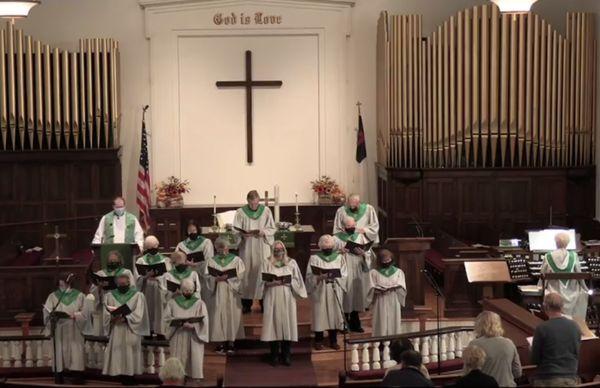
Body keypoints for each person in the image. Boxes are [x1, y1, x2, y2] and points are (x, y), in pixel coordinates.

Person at [257, 241, 307, 366]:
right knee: (273, 324)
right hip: (272, 295)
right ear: (272, 250)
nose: (279, 252)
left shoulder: (291, 262)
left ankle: (286, 354)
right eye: (276, 249)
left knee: (287, 323)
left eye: (281, 249)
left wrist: (290, 282)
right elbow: (260, 281)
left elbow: (298, 280)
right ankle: (274, 354)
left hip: (287, 296)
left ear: (285, 250)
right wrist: (270, 283)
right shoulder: (266, 262)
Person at [102, 273, 149, 385]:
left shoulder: (137, 296)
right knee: (119, 352)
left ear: (129, 283)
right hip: (117, 328)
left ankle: (130, 376)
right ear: (117, 284)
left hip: (130, 328)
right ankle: (122, 375)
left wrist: (126, 318)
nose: (122, 285)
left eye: (124, 283)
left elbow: (139, 313)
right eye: (120, 284)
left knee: (130, 352)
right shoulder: (110, 296)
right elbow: (106, 312)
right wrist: (112, 318)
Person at [43, 273, 91, 383]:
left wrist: (76, 315)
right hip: (59, 327)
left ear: (69, 281)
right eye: (60, 280)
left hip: (74, 327)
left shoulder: (79, 295)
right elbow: (47, 310)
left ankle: (77, 376)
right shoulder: (53, 296)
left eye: (63, 280)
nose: (61, 282)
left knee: (76, 351)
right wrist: (51, 315)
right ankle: (59, 375)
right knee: (59, 351)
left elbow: (85, 312)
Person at [233, 190, 276, 313]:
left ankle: (263, 303)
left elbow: (272, 228)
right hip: (247, 246)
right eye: (251, 204)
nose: (254, 206)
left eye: (256, 203)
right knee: (246, 273)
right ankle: (246, 304)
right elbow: (235, 230)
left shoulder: (266, 211)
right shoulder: (240, 212)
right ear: (247, 201)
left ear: (259, 200)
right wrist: (241, 235)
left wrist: (264, 232)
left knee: (262, 272)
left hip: (262, 245)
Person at [531, 292, 582, 387]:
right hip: (569, 378)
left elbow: (535, 359)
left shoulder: (542, 328)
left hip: (547, 378)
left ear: (546, 307)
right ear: (562, 307)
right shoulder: (575, 326)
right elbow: (577, 353)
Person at [306, 234, 347, 350]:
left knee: (334, 314)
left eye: (329, 244)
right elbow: (309, 275)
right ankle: (318, 340)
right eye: (325, 244)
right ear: (320, 246)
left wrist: (335, 277)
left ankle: (333, 340)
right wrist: (318, 278)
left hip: (334, 288)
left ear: (333, 245)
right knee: (320, 314)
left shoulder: (339, 258)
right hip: (320, 289)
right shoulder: (314, 258)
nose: (327, 246)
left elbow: (344, 274)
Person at [205, 237, 246, 354]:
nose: (222, 250)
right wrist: (215, 279)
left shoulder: (236, 260)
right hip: (217, 291)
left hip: (231, 291)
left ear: (228, 247)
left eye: (224, 248)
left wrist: (228, 278)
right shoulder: (211, 261)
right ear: (216, 248)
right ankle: (220, 342)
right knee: (218, 315)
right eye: (219, 248)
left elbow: (241, 276)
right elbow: (207, 277)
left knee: (231, 315)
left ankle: (231, 343)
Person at [163, 279, 209, 382]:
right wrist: (178, 323)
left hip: (193, 334)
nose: (188, 292)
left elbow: (204, 320)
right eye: (186, 290)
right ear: (181, 290)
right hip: (178, 333)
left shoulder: (200, 303)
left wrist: (194, 326)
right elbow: (166, 319)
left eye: (190, 290)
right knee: (178, 356)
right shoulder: (172, 302)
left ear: (193, 290)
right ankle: (177, 376)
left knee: (194, 355)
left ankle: (194, 375)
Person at [334, 217, 372, 332]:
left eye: (353, 226)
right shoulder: (336, 238)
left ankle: (355, 322)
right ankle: (344, 323)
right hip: (344, 270)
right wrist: (339, 252)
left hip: (357, 269)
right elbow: (330, 254)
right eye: (349, 227)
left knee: (356, 295)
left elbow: (368, 252)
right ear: (343, 226)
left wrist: (364, 253)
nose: (351, 228)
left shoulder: (360, 237)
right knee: (346, 295)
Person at [540, 232, 589, 320]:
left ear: (556, 242)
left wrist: (539, 288)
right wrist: (586, 289)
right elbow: (579, 275)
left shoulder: (548, 256)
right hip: (572, 293)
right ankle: (577, 323)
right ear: (568, 243)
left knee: (545, 292)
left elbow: (543, 275)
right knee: (582, 293)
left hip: (554, 292)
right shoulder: (574, 255)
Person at [89, 250, 136, 335]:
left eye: (115, 261)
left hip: (121, 302)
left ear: (120, 261)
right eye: (110, 261)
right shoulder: (101, 273)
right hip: (106, 302)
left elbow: (132, 288)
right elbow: (93, 291)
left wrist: (119, 284)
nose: (112, 263)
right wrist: (99, 287)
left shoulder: (126, 272)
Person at [135, 235, 169, 338]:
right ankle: (148, 331)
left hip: (159, 287)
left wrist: (158, 278)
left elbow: (169, 276)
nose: (152, 250)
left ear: (157, 245)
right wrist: (145, 276)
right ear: (146, 248)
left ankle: (160, 332)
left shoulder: (165, 260)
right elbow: (137, 277)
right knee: (148, 308)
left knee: (160, 310)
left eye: (153, 247)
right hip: (147, 287)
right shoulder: (141, 261)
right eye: (149, 248)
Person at [367, 249, 406, 336]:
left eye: (388, 260)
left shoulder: (398, 272)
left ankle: (394, 339)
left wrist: (396, 287)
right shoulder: (374, 272)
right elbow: (370, 287)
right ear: (380, 261)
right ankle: (380, 340)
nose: (387, 262)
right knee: (381, 319)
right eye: (384, 261)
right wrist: (377, 289)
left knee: (393, 319)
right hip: (381, 299)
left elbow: (402, 285)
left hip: (393, 297)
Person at [176, 220, 214, 301]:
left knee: (203, 296)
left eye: (194, 230)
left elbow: (209, 259)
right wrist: (186, 263)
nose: (192, 232)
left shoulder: (206, 242)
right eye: (190, 231)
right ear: (186, 231)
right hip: (188, 274)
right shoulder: (181, 245)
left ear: (198, 230)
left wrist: (197, 265)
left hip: (202, 274)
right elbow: (177, 260)